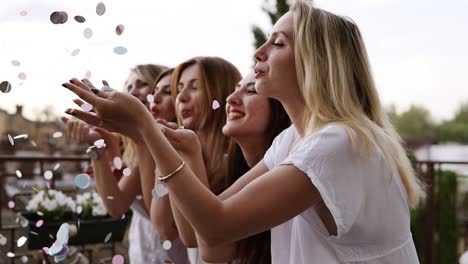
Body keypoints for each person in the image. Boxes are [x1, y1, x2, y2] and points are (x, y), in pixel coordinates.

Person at [62, 1, 425, 263]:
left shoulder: (338, 143)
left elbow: (216, 228)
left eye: (278, 43)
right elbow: (207, 244)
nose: (258, 53)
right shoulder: (292, 142)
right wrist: (187, 153)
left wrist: (145, 129)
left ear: (316, 63)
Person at [63, 64, 188, 263]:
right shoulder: (127, 142)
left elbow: (153, 213)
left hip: (170, 244)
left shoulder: (177, 142)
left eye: (142, 84)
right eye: (128, 87)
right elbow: (115, 204)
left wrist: (141, 138)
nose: (132, 92)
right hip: (143, 242)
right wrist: (96, 148)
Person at [161, 72, 290, 263]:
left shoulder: (290, 163)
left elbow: (202, 237)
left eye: (251, 90)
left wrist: (148, 132)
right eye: (178, 89)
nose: (230, 98)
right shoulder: (233, 168)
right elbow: (194, 235)